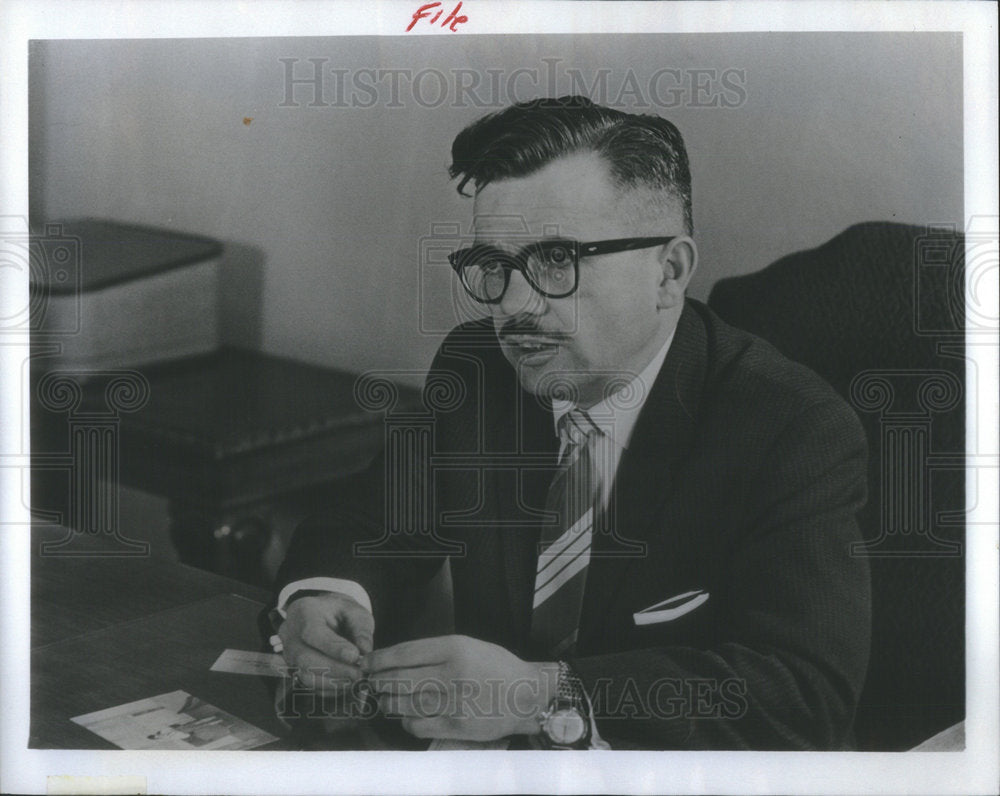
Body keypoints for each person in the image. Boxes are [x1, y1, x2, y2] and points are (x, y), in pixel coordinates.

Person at [271, 96, 871, 750]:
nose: (515, 306)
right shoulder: (480, 369)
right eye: (493, 268)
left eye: (556, 260)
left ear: (668, 272)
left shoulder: (791, 428)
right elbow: (370, 520)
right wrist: (327, 596)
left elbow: (804, 695)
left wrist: (544, 694)